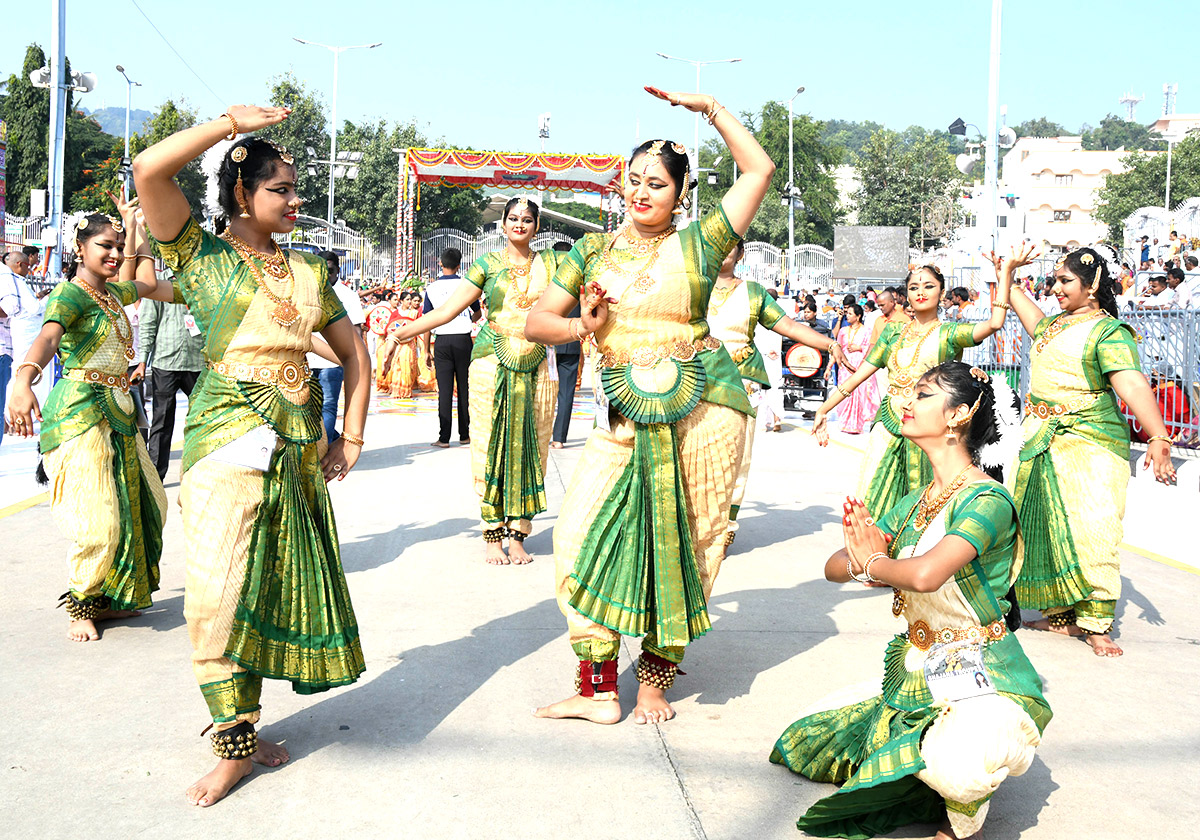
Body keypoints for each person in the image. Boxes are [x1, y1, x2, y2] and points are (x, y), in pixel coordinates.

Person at [134, 107, 371, 806]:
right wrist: (226, 125)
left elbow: (355, 354)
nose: (297, 201)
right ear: (243, 193)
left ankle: (245, 728)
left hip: (297, 451)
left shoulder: (308, 270)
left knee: (263, 591)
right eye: (283, 190)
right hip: (226, 441)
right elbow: (150, 169)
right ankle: (231, 746)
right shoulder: (198, 255)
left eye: (297, 189)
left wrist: (350, 433)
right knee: (216, 595)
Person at [526, 84, 775, 726]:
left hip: (704, 408)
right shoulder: (591, 251)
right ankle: (597, 688)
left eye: (658, 184)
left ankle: (656, 680)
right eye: (634, 180)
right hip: (620, 412)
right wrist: (584, 324)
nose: (642, 192)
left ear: (680, 194)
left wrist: (713, 110)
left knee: (688, 539)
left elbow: (759, 170)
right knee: (580, 536)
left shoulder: (703, 242)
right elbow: (535, 323)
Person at [770, 362, 1050, 840]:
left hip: (982, 672)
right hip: (920, 667)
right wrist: (865, 556)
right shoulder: (921, 500)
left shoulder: (987, 501)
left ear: (959, 414)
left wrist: (876, 564)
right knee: (803, 743)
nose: (905, 402)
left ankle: (962, 821)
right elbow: (835, 565)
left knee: (961, 769)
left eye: (922, 395)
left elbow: (924, 574)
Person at [994, 244, 1175, 657]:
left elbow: (1130, 384)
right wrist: (1005, 272)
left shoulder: (1108, 332)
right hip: (1042, 438)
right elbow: (1031, 318)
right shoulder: (1056, 325)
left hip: (1090, 439)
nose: (1056, 288)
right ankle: (1061, 617)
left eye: (1065, 281)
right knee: (1046, 526)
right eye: (1055, 281)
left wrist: (1159, 437)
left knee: (1094, 527)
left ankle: (1096, 622)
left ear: (1091, 285)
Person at [4, 206, 172, 643]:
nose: (115, 254)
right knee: (96, 518)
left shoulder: (112, 296)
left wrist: (138, 230)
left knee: (149, 506)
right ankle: (82, 602)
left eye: (118, 248)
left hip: (119, 412)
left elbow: (151, 283)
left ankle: (109, 599)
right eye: (105, 246)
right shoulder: (69, 295)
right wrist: (21, 380)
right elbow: (47, 338)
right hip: (80, 412)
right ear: (79, 248)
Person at [385, 198, 562, 565]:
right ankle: (493, 534)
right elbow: (448, 312)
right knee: (488, 446)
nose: (520, 224)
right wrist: (400, 335)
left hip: (536, 364)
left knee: (533, 446)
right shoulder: (487, 265)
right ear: (502, 224)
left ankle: (519, 534)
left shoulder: (553, 264)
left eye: (527, 219)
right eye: (513, 218)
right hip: (489, 364)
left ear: (538, 225)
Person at [814, 265, 1012, 517]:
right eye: (913, 287)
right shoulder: (892, 332)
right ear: (905, 295)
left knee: (926, 496)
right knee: (872, 490)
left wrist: (1005, 274)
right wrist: (823, 409)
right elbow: (859, 376)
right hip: (888, 419)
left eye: (929, 286)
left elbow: (995, 323)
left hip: (931, 424)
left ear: (942, 293)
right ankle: (869, 550)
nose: (920, 292)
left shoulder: (949, 334)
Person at [708, 238, 851, 543]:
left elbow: (789, 326)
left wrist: (830, 343)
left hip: (740, 383)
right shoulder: (693, 287)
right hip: (696, 380)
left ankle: (724, 530)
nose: (722, 251)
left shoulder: (753, 293)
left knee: (735, 457)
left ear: (740, 253)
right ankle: (694, 526)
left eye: (730, 246)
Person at [134, 276, 205, 479]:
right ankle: (156, 475)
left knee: (201, 418)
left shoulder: (200, 281)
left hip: (197, 361)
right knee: (162, 418)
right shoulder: (158, 285)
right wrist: (142, 362)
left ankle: (197, 471)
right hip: (165, 361)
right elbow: (148, 324)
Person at [420, 248, 479, 448]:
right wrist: (467, 320)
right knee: (464, 388)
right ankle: (465, 434)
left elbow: (427, 320)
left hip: (442, 340)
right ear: (460, 265)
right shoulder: (466, 285)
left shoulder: (432, 288)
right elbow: (478, 313)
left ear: (440, 264)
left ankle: (444, 437)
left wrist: (426, 349)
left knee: (444, 391)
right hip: (463, 339)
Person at [307, 251, 366, 442]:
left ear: (338, 270)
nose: (326, 274)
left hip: (333, 362)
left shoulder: (348, 295)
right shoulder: (307, 290)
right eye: (321, 270)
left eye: (330, 270)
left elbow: (357, 329)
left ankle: (322, 450)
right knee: (307, 409)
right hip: (306, 359)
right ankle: (329, 442)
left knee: (328, 406)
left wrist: (354, 361)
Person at [833, 303, 877, 434]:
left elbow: (872, 348)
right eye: (847, 313)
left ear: (858, 316)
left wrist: (860, 348)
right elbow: (837, 347)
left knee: (859, 393)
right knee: (845, 392)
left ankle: (856, 424)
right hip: (845, 367)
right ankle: (845, 423)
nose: (847, 315)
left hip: (860, 365)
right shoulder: (843, 331)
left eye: (850, 314)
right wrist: (831, 366)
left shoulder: (867, 331)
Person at [757, 288, 786, 433]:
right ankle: (776, 419)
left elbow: (755, 338)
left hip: (764, 356)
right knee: (775, 386)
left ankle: (764, 422)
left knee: (762, 388)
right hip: (774, 357)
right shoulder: (781, 316)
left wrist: (767, 351)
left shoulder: (759, 317)